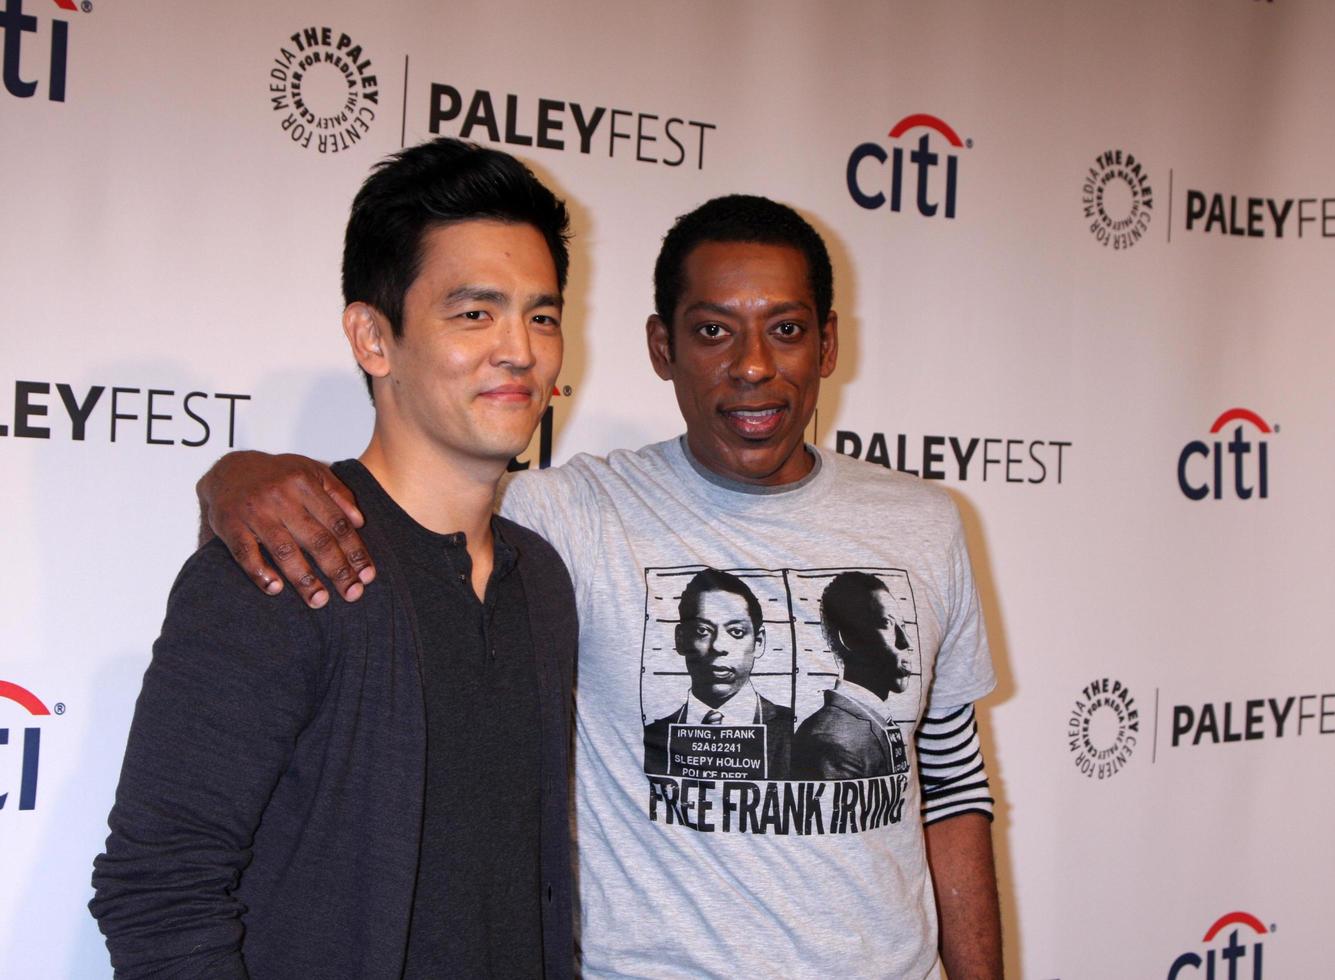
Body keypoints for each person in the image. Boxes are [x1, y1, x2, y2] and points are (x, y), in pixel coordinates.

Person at [197, 194, 1003, 978]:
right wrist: (234, 476)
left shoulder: (924, 524)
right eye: (714, 331)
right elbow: (410, 500)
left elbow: (952, 779)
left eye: (786, 331)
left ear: (827, 345)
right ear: (662, 348)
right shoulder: (563, 514)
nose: (754, 366)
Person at [90, 138, 578, 978]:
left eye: (541, 314)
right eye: (474, 312)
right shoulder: (280, 561)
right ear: (372, 337)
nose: (520, 350)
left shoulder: (541, 579)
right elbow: (159, 888)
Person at [643, 567, 795, 779]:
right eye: (702, 631)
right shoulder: (651, 737)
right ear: (681, 639)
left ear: (758, 643)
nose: (719, 646)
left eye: (736, 632)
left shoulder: (795, 732)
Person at [792, 571, 916, 779]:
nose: (906, 642)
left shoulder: (870, 719)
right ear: (849, 638)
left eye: (902, 627)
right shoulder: (832, 740)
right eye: (887, 624)